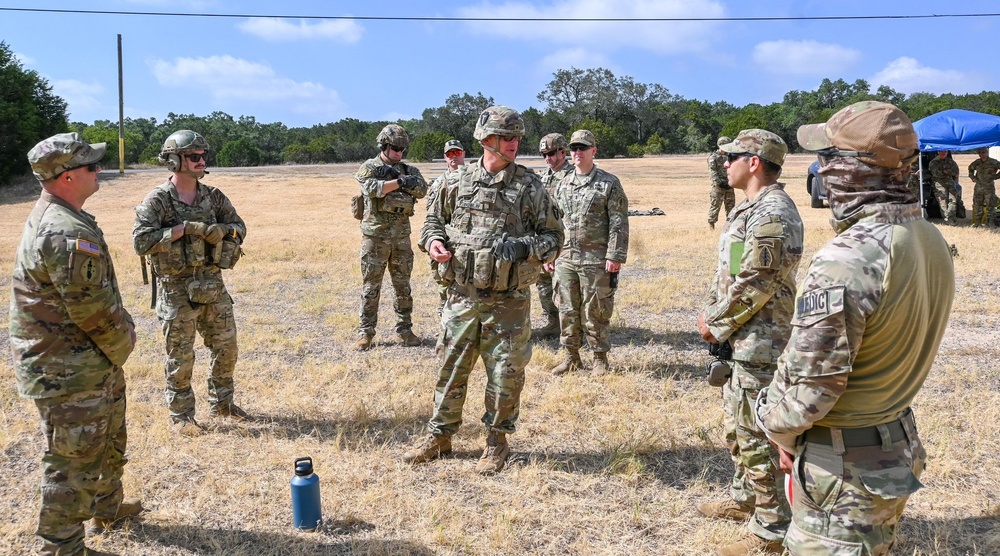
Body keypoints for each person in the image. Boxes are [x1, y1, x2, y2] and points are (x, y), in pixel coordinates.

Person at [757, 101, 955, 555]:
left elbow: (814, 387)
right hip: (893, 440)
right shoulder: (928, 237)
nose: (821, 171)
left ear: (855, 169)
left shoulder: (850, 257)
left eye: (828, 158)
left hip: (841, 463)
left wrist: (777, 430)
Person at [405, 105, 563, 475]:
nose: (513, 144)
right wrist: (433, 243)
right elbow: (432, 222)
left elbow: (555, 237)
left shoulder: (529, 187)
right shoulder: (454, 182)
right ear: (486, 140)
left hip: (507, 302)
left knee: (506, 374)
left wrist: (526, 247)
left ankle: (496, 442)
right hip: (460, 296)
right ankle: (440, 436)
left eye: (516, 138)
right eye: (505, 138)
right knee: (450, 368)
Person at [11, 133, 142, 555]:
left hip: (84, 362)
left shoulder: (65, 215)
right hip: (67, 370)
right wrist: (126, 340)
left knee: (107, 440)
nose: (98, 170)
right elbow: (92, 311)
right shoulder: (64, 231)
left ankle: (107, 506)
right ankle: (61, 546)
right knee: (74, 462)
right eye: (91, 166)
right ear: (67, 177)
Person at [696, 129, 802, 556]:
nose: (725, 164)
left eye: (732, 157)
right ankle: (745, 500)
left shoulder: (773, 213)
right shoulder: (749, 209)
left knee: (758, 433)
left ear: (754, 161)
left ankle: (772, 530)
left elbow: (757, 281)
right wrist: (711, 311)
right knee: (736, 428)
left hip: (761, 340)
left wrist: (715, 323)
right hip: (740, 338)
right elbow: (731, 271)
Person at [133, 130, 248, 437]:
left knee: (227, 348)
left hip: (212, 283)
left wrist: (221, 230)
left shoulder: (214, 197)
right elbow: (141, 242)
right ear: (174, 160)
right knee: (180, 355)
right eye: (193, 156)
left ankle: (223, 404)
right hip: (176, 288)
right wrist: (180, 230)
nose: (201, 161)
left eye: (203, 156)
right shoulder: (157, 200)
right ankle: (181, 415)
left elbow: (240, 228)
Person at [547, 130, 628, 376]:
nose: (577, 153)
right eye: (573, 149)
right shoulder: (562, 184)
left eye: (583, 148)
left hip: (596, 259)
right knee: (566, 309)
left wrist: (615, 255)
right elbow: (553, 222)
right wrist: (550, 254)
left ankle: (599, 359)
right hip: (566, 258)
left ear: (594, 150)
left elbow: (619, 222)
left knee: (596, 310)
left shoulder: (608, 183)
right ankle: (571, 357)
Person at [352, 124, 428, 350]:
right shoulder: (370, 167)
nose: (400, 153)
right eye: (395, 148)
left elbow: (422, 190)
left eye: (403, 149)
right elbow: (372, 189)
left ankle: (405, 330)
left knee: (403, 286)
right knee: (371, 287)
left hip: (401, 238)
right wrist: (400, 183)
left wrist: (405, 182)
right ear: (383, 145)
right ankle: (365, 332)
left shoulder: (409, 169)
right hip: (375, 237)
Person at [534, 133, 574, 338]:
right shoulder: (542, 177)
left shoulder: (573, 177)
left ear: (562, 152)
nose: (547, 158)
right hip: (544, 238)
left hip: (566, 240)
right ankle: (552, 320)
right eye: (543, 154)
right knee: (542, 281)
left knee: (565, 285)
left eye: (551, 153)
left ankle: (572, 326)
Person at [428, 139, 466, 315]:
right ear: (445, 157)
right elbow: (433, 215)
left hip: (466, 239)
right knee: (444, 278)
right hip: (445, 238)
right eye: (450, 154)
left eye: (457, 153)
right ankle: (444, 311)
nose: (454, 157)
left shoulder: (471, 179)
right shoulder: (438, 183)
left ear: (463, 154)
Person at [708, 136, 737, 229]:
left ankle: (731, 226)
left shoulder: (730, 156)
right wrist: (719, 182)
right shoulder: (713, 157)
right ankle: (711, 225)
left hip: (729, 185)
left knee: (731, 206)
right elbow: (712, 171)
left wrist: (732, 182)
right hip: (718, 186)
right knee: (715, 205)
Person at [968, 147, 1000, 228]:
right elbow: (970, 169)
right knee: (978, 205)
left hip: (989, 187)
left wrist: (996, 176)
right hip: (978, 187)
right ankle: (978, 223)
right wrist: (973, 177)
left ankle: (990, 223)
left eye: (984, 152)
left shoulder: (993, 162)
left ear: (987, 152)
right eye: (981, 153)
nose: (982, 154)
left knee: (991, 205)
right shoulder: (977, 162)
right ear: (979, 154)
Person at [928, 149, 960, 225]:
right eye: (941, 151)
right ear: (938, 152)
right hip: (939, 185)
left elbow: (956, 172)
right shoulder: (934, 162)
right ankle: (947, 219)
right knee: (943, 202)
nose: (943, 153)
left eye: (945, 151)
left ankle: (951, 217)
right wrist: (949, 172)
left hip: (950, 184)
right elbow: (936, 174)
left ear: (947, 152)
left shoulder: (950, 161)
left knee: (953, 200)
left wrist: (946, 172)